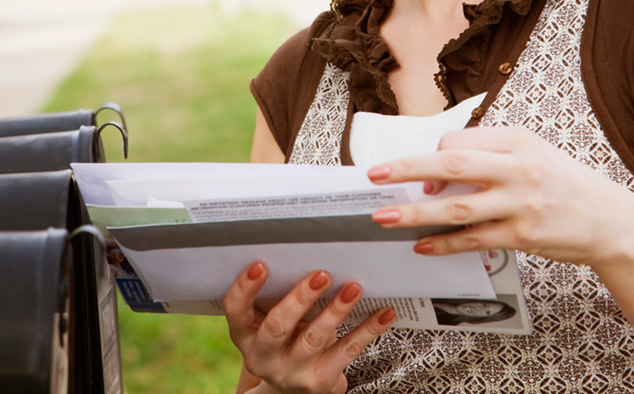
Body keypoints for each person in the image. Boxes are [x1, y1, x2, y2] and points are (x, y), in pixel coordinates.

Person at [223, 0, 634, 392]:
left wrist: (617, 230)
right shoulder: (300, 70)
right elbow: (259, 377)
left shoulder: (616, 24)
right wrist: (286, 387)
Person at [431, 299, 516, 326]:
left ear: (483, 319)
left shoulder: (446, 324)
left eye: (488, 313)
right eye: (485, 305)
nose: (477, 308)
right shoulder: (445, 296)